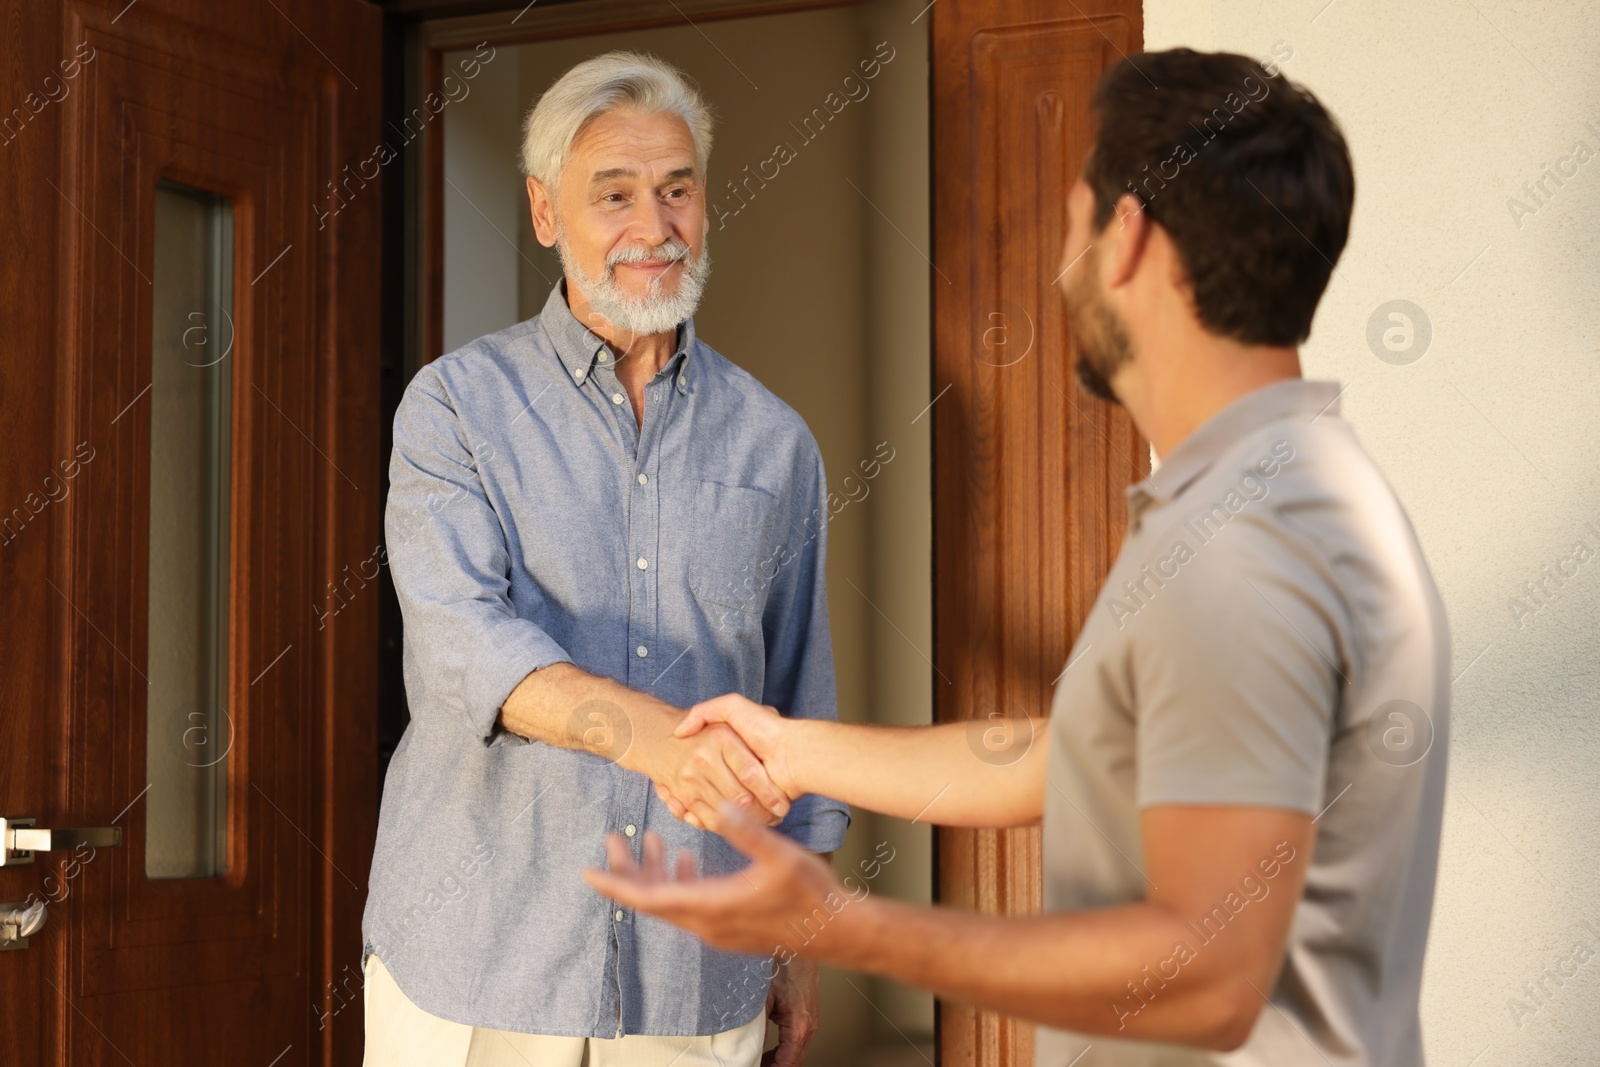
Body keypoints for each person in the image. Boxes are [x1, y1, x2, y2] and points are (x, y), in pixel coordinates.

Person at [588, 48, 1451, 1067]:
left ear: (1126, 237)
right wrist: (788, 746)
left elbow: (1210, 972)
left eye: (1074, 222)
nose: (1059, 264)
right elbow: (1072, 755)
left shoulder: (1245, 544)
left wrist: (841, 921)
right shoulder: (1281, 490)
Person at [362, 51, 849, 1067]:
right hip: (475, 953)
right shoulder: (455, 407)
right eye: (614, 194)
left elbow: (799, 690)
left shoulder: (776, 442)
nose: (654, 227)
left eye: (677, 189)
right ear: (545, 213)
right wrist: (662, 739)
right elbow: (461, 647)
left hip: (695, 962)